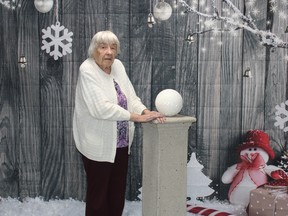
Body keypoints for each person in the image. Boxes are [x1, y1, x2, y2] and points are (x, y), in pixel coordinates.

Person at [72, 30, 165, 216]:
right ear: (94, 50)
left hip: (121, 142)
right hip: (97, 143)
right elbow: (100, 108)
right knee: (98, 197)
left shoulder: (118, 66)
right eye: (103, 47)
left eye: (113, 48)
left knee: (117, 192)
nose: (109, 52)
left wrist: (146, 112)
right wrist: (136, 118)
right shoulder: (87, 69)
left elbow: (130, 96)